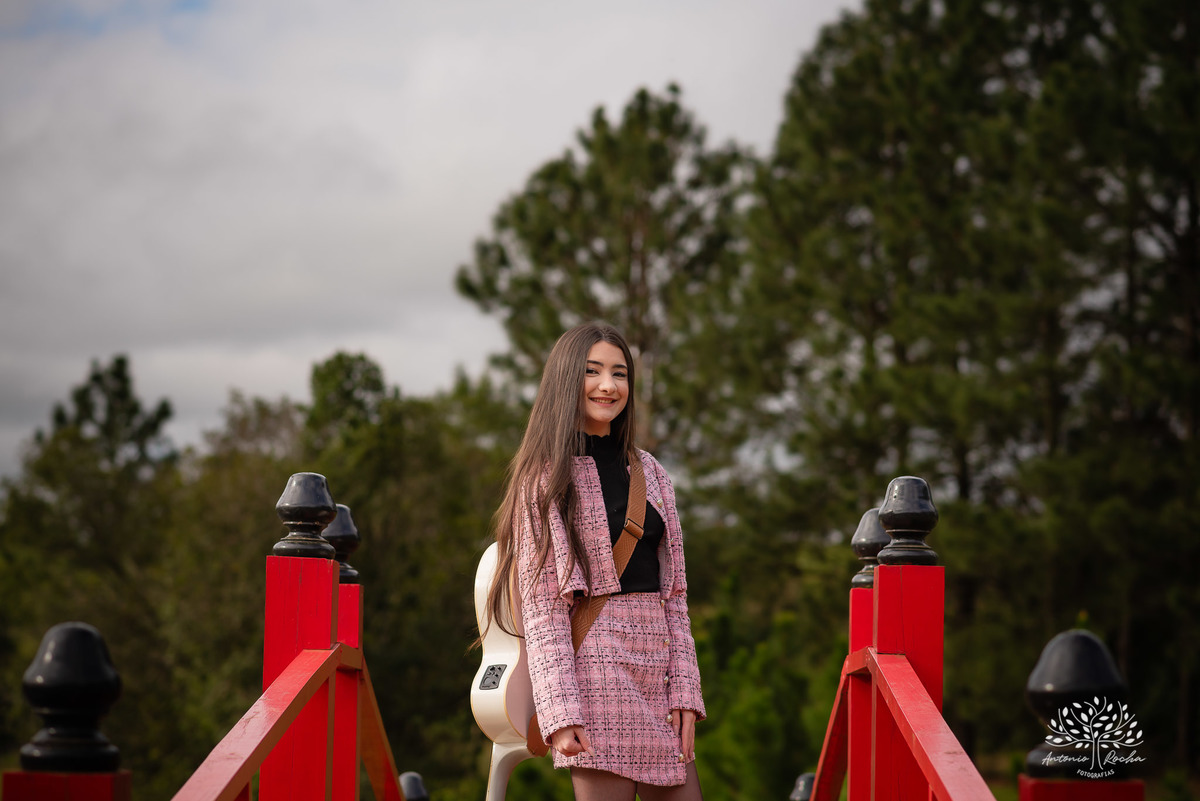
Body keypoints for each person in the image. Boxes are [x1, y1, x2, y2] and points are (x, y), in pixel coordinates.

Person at [485, 322, 705, 801]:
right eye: (593, 371)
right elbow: (544, 609)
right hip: (597, 671)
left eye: (620, 373)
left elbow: (676, 596)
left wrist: (686, 690)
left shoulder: (651, 471)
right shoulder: (544, 479)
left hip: (660, 672)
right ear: (567, 379)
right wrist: (562, 714)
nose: (609, 385)